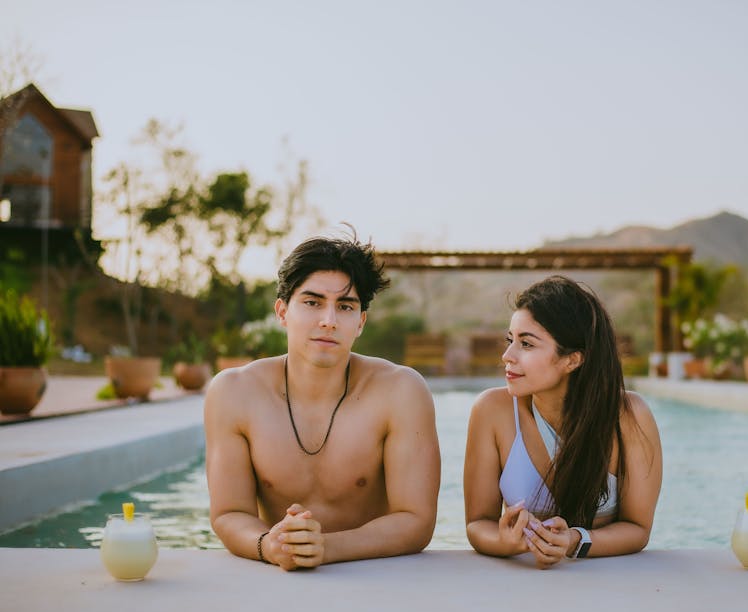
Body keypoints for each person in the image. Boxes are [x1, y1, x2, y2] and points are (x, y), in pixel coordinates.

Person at [204, 233, 441, 570]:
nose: (329, 320)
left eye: (345, 307)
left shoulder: (400, 391)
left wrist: (325, 548)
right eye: (312, 302)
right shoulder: (235, 392)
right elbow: (230, 513)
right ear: (282, 311)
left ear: (360, 322)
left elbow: (416, 521)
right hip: (279, 577)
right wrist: (268, 545)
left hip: (372, 577)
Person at [463, 275, 662, 568]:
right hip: (523, 586)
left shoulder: (629, 416)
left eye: (526, 344)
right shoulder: (492, 411)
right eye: (510, 340)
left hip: (607, 587)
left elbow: (638, 529)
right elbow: (478, 523)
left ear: (572, 360)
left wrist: (575, 541)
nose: (507, 356)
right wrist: (503, 542)